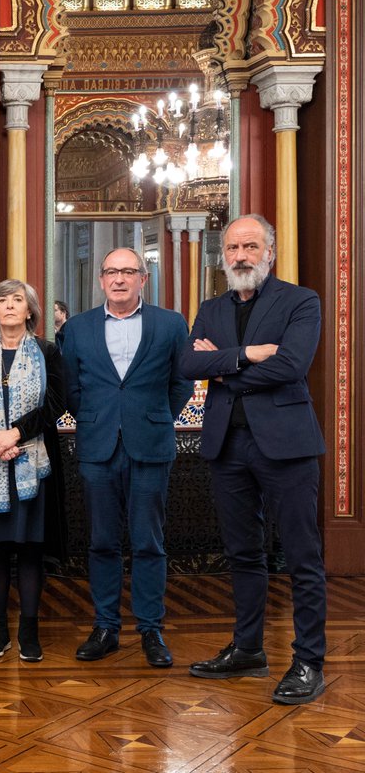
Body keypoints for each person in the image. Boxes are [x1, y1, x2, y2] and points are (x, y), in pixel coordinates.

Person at [181, 214, 328, 705]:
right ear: (223, 256)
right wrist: (248, 355)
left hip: (287, 446)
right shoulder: (211, 306)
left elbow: (292, 365)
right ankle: (248, 650)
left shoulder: (301, 301)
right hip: (228, 447)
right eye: (233, 248)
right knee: (243, 555)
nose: (240, 255)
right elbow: (189, 364)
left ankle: (308, 660)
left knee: (302, 557)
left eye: (250, 246)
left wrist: (223, 366)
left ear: (271, 251)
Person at [59, 247, 191, 668]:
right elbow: (71, 389)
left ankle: (151, 631)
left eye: (128, 271)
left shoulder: (170, 324)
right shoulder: (77, 329)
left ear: (143, 279)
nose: (119, 278)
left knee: (149, 542)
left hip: (150, 445)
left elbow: (181, 382)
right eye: (111, 271)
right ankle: (106, 628)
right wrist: (97, 420)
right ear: (101, 280)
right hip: (98, 447)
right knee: (101, 541)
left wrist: (153, 419)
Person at [0, 279, 66, 663]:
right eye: (1, 300)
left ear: (30, 311)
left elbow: (56, 402)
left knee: (31, 551)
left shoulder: (48, 354)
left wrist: (16, 434)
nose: (8, 306)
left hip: (33, 464)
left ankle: (30, 631)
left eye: (17, 300)